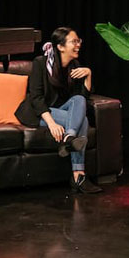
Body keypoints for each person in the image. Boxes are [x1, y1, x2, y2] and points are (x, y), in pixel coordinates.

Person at [14, 27, 102, 193]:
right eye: (73, 42)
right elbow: (36, 98)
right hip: (38, 111)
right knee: (83, 121)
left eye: (78, 41)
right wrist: (52, 123)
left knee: (79, 100)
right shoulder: (40, 63)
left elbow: (82, 97)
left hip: (60, 109)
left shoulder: (74, 66)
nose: (78, 45)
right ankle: (78, 176)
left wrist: (88, 74)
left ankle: (68, 137)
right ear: (60, 47)